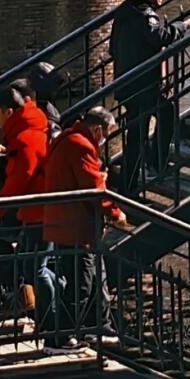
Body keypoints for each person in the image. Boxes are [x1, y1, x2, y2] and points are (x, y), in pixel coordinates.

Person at [37, 106, 129, 354]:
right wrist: (115, 213)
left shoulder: (67, 140)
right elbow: (93, 189)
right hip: (75, 227)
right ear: (98, 129)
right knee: (82, 284)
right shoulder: (81, 146)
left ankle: (98, 327)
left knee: (95, 277)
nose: (105, 139)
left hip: (69, 223)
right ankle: (59, 338)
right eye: (107, 133)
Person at [109, 0, 190, 193]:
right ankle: (150, 170)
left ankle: (135, 178)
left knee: (142, 129)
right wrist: (184, 25)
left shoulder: (124, 11)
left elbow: (112, 48)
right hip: (143, 86)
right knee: (158, 120)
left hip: (127, 83)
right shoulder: (145, 15)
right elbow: (159, 37)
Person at [0, 84, 50, 315]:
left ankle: (49, 315)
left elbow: (17, 182)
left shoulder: (23, 138)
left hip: (37, 211)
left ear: (8, 112)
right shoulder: (31, 128)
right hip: (37, 209)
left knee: (36, 270)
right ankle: (32, 303)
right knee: (33, 267)